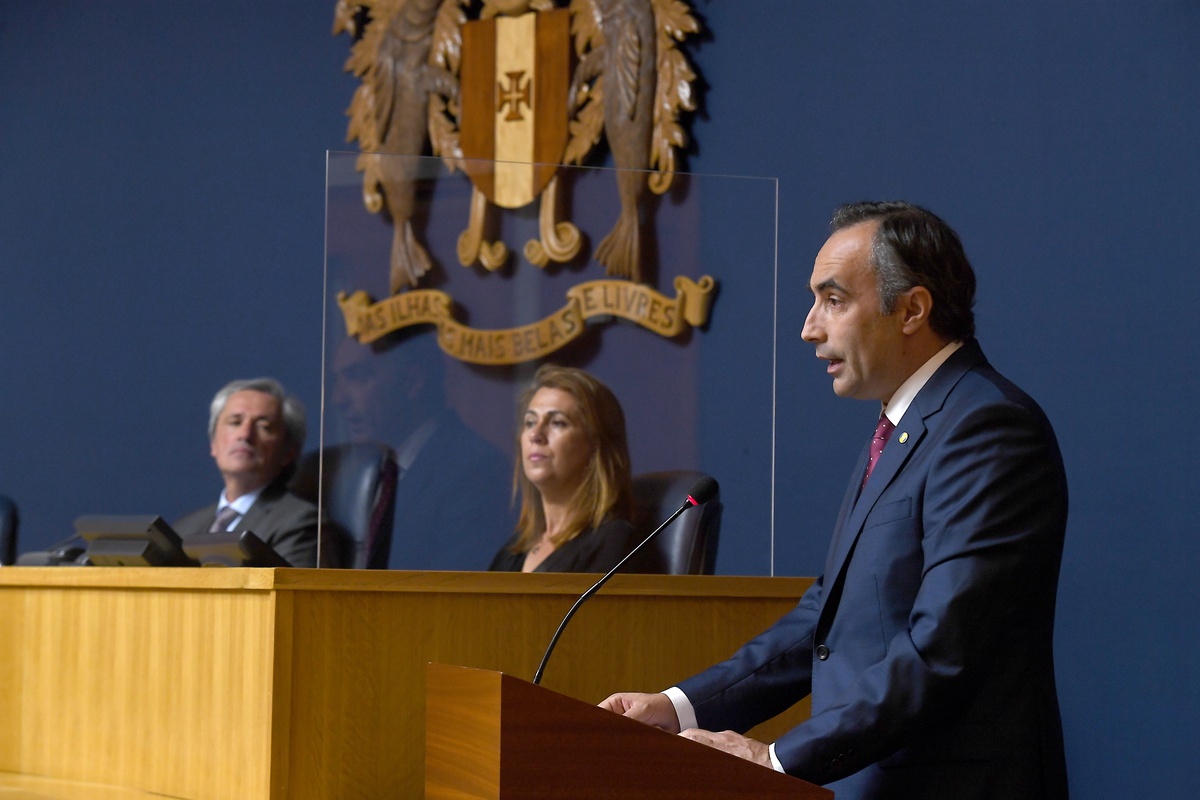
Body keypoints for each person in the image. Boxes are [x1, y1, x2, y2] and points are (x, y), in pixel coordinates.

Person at [599, 202, 1069, 799]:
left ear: (912, 309)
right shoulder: (905, 425)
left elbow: (941, 651)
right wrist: (679, 707)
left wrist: (775, 758)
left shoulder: (987, 428)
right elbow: (825, 621)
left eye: (834, 300)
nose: (809, 327)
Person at [332, 333, 516, 570]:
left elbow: (458, 592)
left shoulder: (476, 471)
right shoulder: (368, 472)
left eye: (357, 377)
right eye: (337, 380)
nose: (338, 399)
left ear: (412, 381)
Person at [174, 377, 337, 568]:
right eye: (235, 422)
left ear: (288, 452)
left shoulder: (301, 524)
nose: (245, 434)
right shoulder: (184, 529)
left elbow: (291, 597)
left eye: (263, 426)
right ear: (213, 444)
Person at [489, 364, 636, 573]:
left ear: (596, 445)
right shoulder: (515, 549)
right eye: (530, 422)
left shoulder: (612, 542)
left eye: (558, 423)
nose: (535, 434)